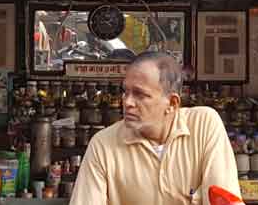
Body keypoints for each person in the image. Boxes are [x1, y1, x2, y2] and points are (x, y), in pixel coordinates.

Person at [71, 51, 240, 205]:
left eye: (140, 94)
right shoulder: (103, 145)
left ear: (172, 103)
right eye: (126, 92)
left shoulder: (203, 125)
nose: (127, 102)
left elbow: (222, 199)